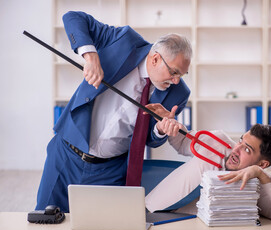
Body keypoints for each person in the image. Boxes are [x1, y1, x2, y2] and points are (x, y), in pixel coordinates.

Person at [35, 11, 192, 212]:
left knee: (103, 228)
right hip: (66, 155)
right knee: (44, 220)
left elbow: (152, 139)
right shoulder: (123, 41)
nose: (177, 80)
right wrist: (90, 56)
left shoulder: (178, 93)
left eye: (182, 74)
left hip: (110, 171)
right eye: (174, 72)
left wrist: (161, 129)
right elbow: (73, 17)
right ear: (155, 59)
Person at [144, 104, 271, 223]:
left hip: (186, 224)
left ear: (262, 164)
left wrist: (260, 175)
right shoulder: (218, 141)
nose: (237, 149)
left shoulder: (257, 186)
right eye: (241, 141)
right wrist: (169, 124)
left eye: (247, 150)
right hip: (148, 208)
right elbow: (183, 142)